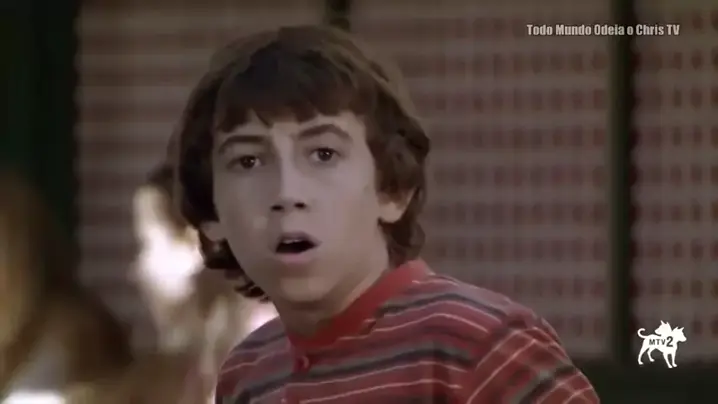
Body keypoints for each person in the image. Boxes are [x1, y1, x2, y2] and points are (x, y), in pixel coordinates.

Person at [170, 24, 599, 403]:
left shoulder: (478, 346)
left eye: (323, 154)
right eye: (248, 161)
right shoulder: (248, 373)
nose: (287, 193)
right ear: (212, 214)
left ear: (392, 190)